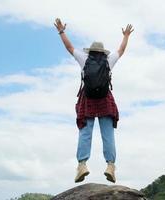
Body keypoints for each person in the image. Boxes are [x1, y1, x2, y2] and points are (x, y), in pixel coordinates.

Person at [54, 18, 133, 183]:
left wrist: (61, 31)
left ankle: (82, 165)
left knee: (85, 132)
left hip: (88, 99)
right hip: (105, 99)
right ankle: (111, 165)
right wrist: (126, 36)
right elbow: (121, 50)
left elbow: (69, 47)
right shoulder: (109, 60)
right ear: (103, 52)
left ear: (91, 51)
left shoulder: (84, 59)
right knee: (108, 134)